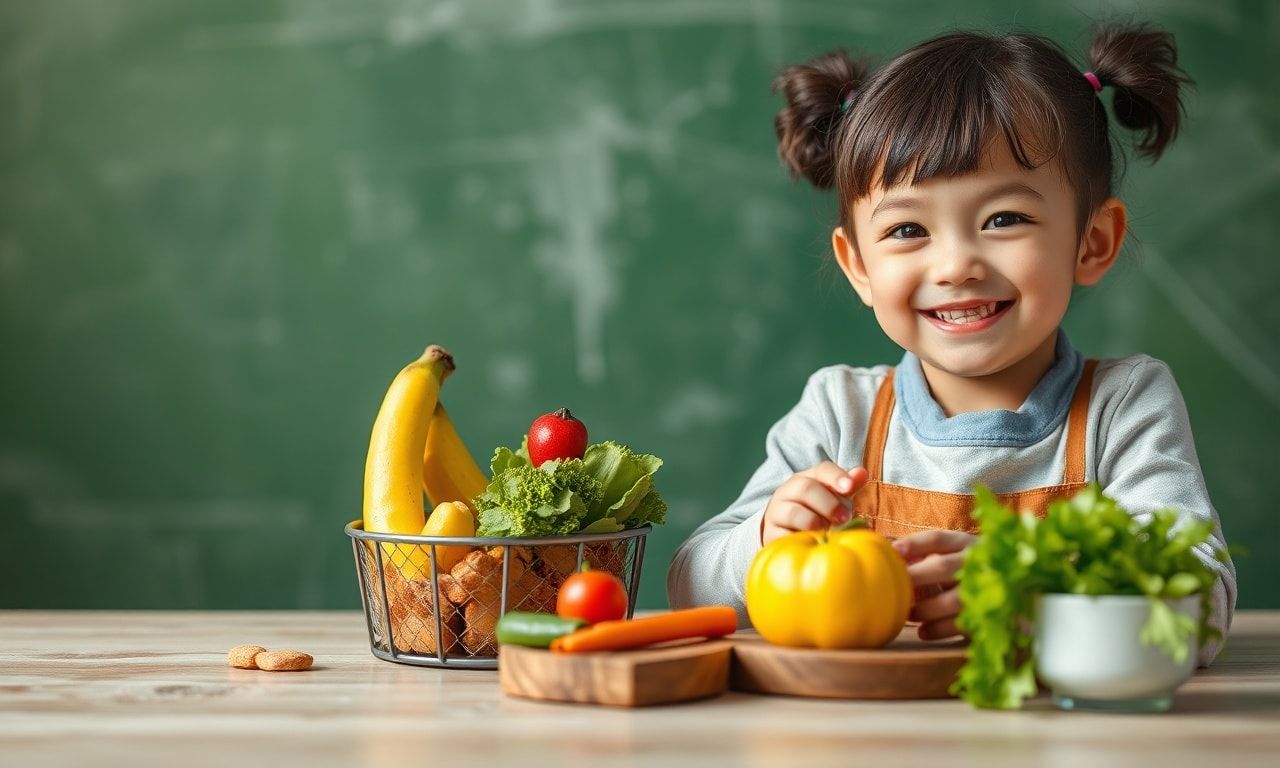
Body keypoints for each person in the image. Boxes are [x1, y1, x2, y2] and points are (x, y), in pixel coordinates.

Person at [666, 22, 1236, 665]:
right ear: (858, 267)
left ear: (1092, 242)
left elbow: (1201, 601)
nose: (956, 265)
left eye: (1004, 219)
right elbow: (690, 584)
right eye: (908, 229)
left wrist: (1032, 596)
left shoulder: (1123, 405)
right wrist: (767, 535)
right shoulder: (839, 412)